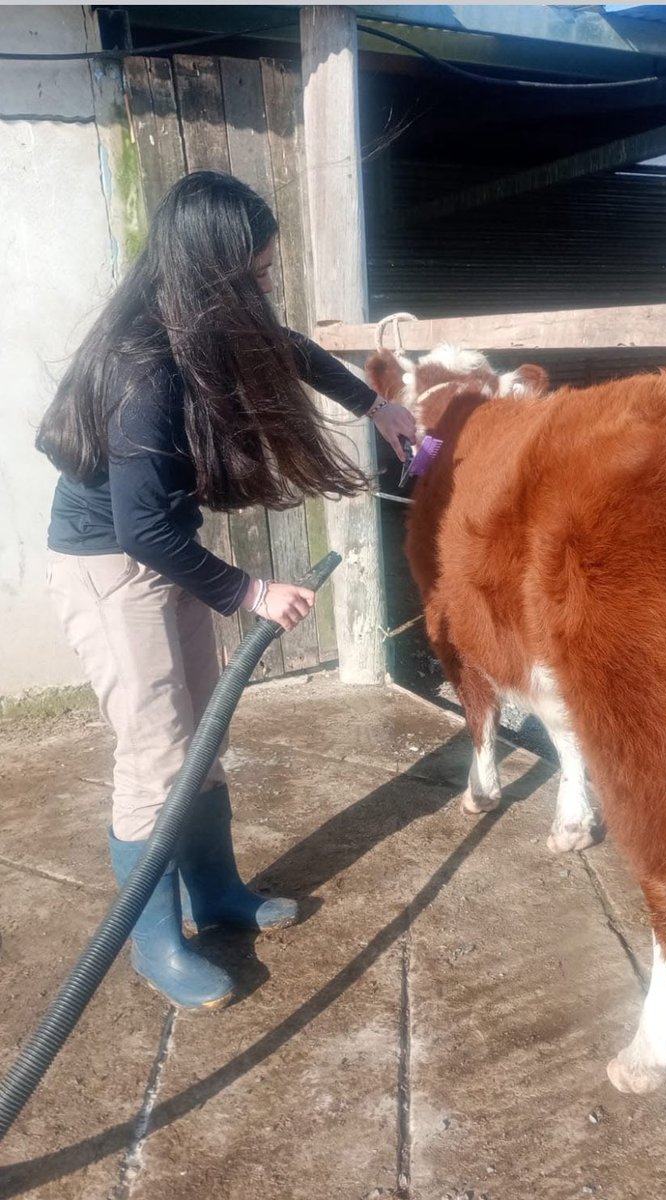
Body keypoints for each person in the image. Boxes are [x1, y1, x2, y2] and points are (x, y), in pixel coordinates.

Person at [36, 171, 415, 1011]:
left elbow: (287, 345)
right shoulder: (146, 369)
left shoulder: (198, 318)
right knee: (154, 755)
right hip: (113, 566)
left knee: (199, 734)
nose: (267, 287)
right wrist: (250, 592)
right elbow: (140, 530)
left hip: (163, 550)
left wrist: (375, 405)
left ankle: (217, 895)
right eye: (257, 273)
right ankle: (154, 941)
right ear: (215, 272)